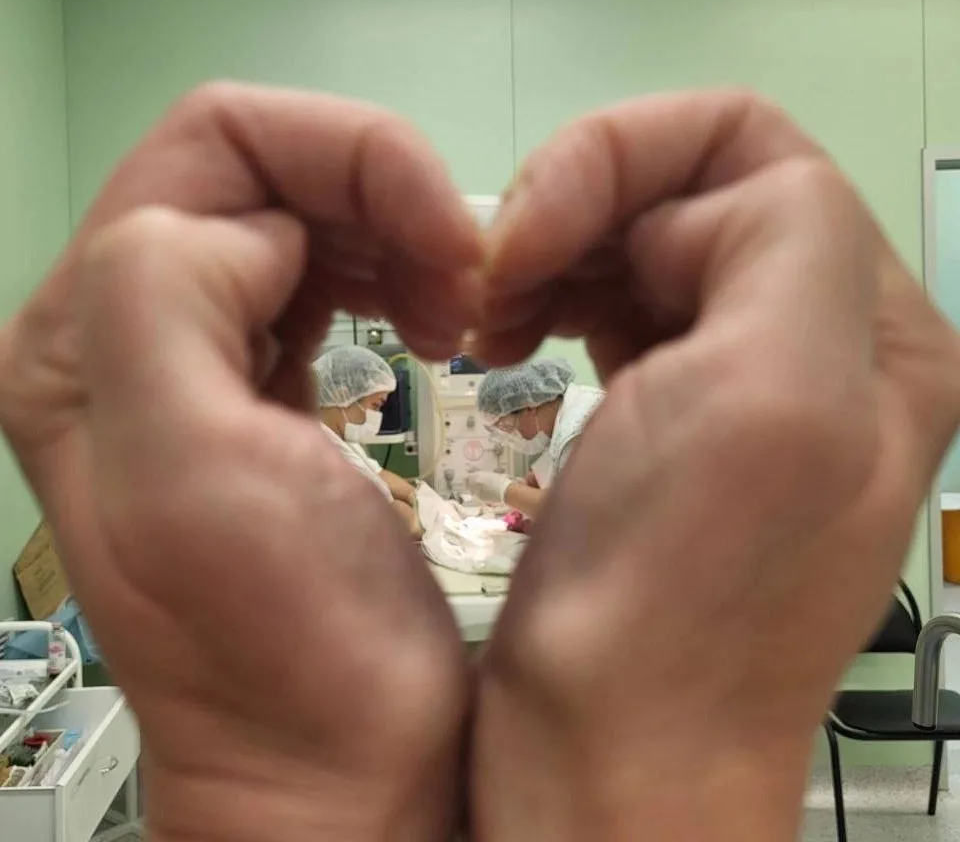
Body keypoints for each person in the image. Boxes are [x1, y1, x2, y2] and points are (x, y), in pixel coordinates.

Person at [1, 81, 959, 842]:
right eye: (366, 400)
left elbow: (522, 507)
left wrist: (279, 789)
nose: (373, 409)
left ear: (532, 401)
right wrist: (668, 775)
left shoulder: (587, 427)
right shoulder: (339, 450)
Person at [464, 357, 604, 518]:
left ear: (529, 407)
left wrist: (505, 490)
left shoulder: (580, 428)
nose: (509, 436)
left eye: (506, 427)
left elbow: (569, 509)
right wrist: (525, 487)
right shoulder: (563, 417)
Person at [313, 344, 420, 536]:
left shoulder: (341, 437)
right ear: (342, 395)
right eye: (376, 405)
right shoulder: (319, 450)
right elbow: (394, 520)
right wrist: (427, 519)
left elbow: (378, 473)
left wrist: (415, 496)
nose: (377, 416)